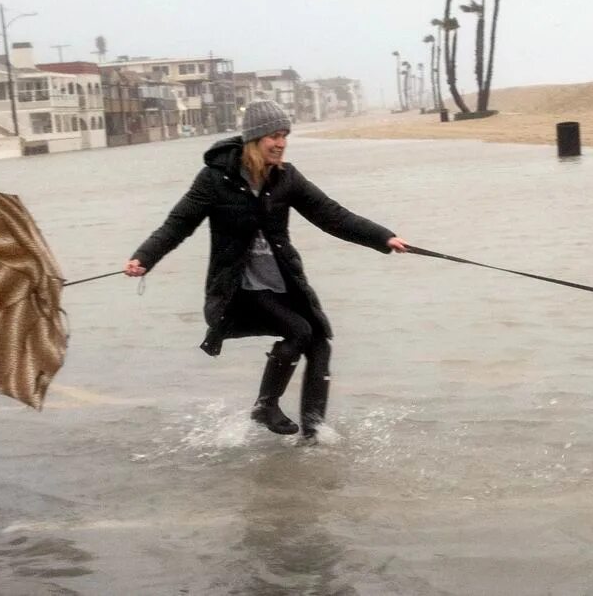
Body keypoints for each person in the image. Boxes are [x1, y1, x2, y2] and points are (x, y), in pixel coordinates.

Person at [124, 101, 408, 441]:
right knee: (298, 331)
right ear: (254, 139)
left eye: (285, 135)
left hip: (282, 280)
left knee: (320, 342)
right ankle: (264, 406)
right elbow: (178, 224)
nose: (281, 143)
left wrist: (383, 237)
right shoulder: (216, 179)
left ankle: (314, 432)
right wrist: (144, 257)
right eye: (274, 135)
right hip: (239, 287)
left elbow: (331, 215)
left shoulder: (286, 178)